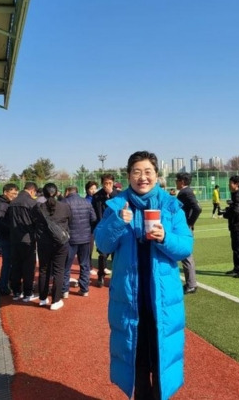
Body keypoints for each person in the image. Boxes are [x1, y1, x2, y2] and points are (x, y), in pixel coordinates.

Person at [94, 150, 193, 399]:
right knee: (136, 367)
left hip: (162, 303)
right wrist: (118, 221)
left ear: (156, 175)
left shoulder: (171, 206)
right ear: (128, 176)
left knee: (161, 364)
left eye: (148, 172)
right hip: (129, 303)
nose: (143, 177)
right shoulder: (116, 205)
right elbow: (103, 245)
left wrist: (165, 238)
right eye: (137, 172)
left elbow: (186, 246)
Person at [35, 183, 71, 310]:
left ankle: (43, 298)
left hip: (44, 243)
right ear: (56, 193)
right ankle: (55, 300)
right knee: (59, 270)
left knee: (44, 270)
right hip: (60, 242)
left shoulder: (38, 207)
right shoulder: (65, 207)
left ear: (43, 193)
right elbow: (70, 222)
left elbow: (34, 224)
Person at [7, 182, 39, 302]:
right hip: (28, 239)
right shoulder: (32, 203)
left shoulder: (12, 202)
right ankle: (27, 293)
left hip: (14, 238)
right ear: (32, 191)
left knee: (16, 266)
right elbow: (37, 221)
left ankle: (16, 292)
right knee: (28, 267)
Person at [60, 186, 94, 298]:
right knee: (85, 264)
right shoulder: (87, 202)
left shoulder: (64, 202)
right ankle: (84, 289)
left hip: (70, 239)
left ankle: (64, 291)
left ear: (67, 192)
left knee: (66, 265)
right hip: (85, 238)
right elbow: (93, 218)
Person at [0, 183, 19, 296]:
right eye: (12, 193)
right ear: (5, 192)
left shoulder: (3, 202)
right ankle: (3, 286)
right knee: (8, 262)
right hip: (5, 236)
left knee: (9, 261)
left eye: (16, 193)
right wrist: (12, 228)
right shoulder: (2, 204)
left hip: (4, 235)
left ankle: (6, 283)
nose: (15, 196)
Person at [175, 172, 201, 294]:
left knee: (186, 255)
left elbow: (197, 208)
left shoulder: (186, 192)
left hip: (184, 228)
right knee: (185, 255)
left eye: (177, 180)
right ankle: (190, 283)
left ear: (182, 182)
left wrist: (189, 222)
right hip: (183, 227)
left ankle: (191, 284)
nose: (175, 182)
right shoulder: (185, 192)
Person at [92, 173, 118, 287]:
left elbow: (120, 206)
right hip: (103, 229)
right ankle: (101, 276)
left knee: (116, 255)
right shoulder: (97, 196)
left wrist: (111, 193)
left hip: (116, 229)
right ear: (102, 184)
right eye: (105, 183)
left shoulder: (118, 195)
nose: (108, 185)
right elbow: (93, 213)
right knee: (102, 254)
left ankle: (116, 278)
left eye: (110, 183)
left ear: (113, 183)